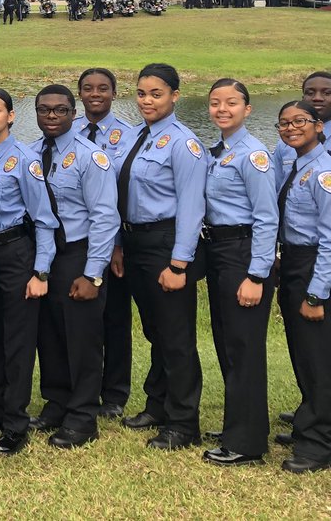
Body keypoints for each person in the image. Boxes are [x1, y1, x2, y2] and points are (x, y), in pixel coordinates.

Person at [274, 71, 331, 440]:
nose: (317, 97)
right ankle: (313, 409)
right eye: (309, 92)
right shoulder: (291, 148)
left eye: (325, 92)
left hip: (330, 256)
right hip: (298, 255)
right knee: (309, 346)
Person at [117, 63, 207, 450]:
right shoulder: (137, 136)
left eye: (156, 94)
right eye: (141, 93)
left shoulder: (183, 143)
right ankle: (158, 405)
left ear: (175, 96)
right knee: (155, 330)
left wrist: (178, 263)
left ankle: (184, 423)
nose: (147, 100)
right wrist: (120, 244)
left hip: (166, 244)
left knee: (176, 336)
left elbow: (192, 207)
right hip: (136, 243)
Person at [28, 84, 118, 450]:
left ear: (73, 113)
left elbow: (104, 217)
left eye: (60, 110)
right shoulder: (31, 153)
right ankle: (57, 401)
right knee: (49, 334)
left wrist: (93, 273)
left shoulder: (89, 157)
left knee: (81, 339)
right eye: (44, 110)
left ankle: (82, 416)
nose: (52, 116)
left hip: (79, 254)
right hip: (45, 256)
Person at [0, 88, 59, 455]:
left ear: (11, 116)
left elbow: (44, 220)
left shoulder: (25, 159)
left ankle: (16, 422)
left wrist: (40, 273)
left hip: (16, 253)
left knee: (17, 342)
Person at [198, 79, 278, 467]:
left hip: (243, 254)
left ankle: (247, 443)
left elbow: (266, 218)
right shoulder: (218, 151)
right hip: (219, 251)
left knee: (244, 348)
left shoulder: (253, 155)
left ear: (248, 109)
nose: (222, 109)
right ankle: (237, 424)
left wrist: (257, 275)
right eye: (215, 103)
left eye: (231, 103)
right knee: (228, 343)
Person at [273, 100, 331, 474]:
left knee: (319, 361)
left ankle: (320, 446)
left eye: (300, 121)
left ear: (319, 126)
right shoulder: (294, 165)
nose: (291, 128)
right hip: (294, 263)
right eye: (284, 123)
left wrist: (317, 293)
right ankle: (308, 425)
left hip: (316, 268)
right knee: (304, 355)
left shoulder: (325, 173)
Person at [75, 68, 136, 418]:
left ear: (114, 93)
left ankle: (114, 394)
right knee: (85, 321)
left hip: (115, 245)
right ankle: (83, 387)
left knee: (114, 319)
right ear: (79, 95)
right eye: (87, 88)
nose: (95, 94)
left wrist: (117, 245)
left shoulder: (127, 136)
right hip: (77, 241)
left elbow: (121, 196)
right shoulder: (70, 133)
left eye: (102, 88)